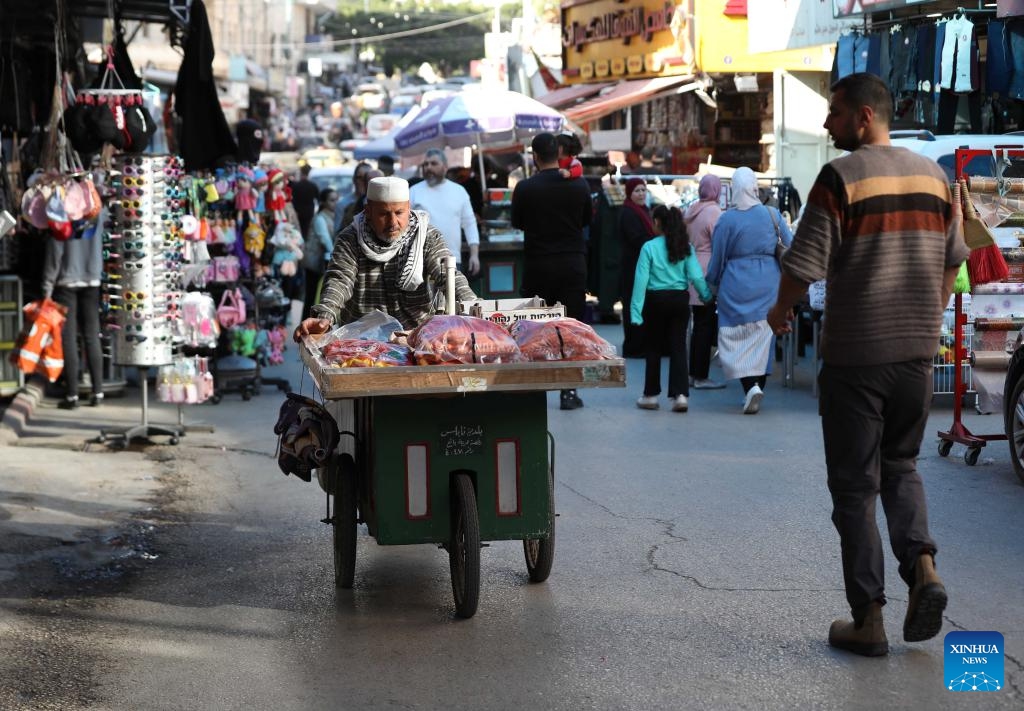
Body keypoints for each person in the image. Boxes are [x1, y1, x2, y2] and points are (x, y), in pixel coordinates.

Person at [767, 72, 965, 657]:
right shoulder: (935, 177)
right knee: (901, 467)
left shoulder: (839, 178)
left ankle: (869, 620)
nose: (826, 124)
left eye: (833, 113)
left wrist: (781, 313)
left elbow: (803, 264)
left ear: (863, 117)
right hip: (916, 355)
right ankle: (923, 567)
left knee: (855, 489)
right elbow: (953, 265)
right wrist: (926, 323)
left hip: (858, 357)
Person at [294, 176, 476, 337]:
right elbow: (339, 281)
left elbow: (449, 277)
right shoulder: (350, 238)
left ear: (408, 208)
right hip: (361, 342)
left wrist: (476, 308)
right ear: (368, 210)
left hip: (415, 338)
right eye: (383, 214)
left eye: (399, 213)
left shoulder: (426, 236)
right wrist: (325, 316)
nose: (392, 223)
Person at [511, 132, 592, 411]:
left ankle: (534, 389)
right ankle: (569, 392)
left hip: (539, 265)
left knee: (534, 328)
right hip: (571, 264)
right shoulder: (579, 185)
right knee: (569, 328)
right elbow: (586, 220)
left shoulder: (525, 188)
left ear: (534, 157)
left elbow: (517, 221)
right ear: (558, 154)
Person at [705, 166, 791, 415]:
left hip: (736, 285)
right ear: (755, 187)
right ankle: (756, 387)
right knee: (763, 338)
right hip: (768, 285)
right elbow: (792, 246)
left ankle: (750, 387)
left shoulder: (727, 219)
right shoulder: (772, 214)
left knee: (735, 339)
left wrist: (711, 285)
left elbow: (718, 257)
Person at [631, 205, 711, 413]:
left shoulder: (649, 247)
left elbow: (641, 281)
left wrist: (635, 312)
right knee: (678, 347)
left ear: (657, 222)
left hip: (655, 300)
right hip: (679, 300)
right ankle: (680, 395)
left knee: (654, 347)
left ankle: (650, 395)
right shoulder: (685, 247)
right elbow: (696, 276)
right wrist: (706, 296)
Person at [41, 226, 104, 409]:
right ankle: (97, 392)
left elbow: (55, 250)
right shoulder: (96, 210)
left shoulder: (62, 211)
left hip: (66, 280)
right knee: (92, 336)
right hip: (92, 278)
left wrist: (47, 288)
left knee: (68, 339)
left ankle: (72, 395)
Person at [684, 174, 726, 389]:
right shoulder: (714, 212)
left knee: (696, 325)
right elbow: (720, 244)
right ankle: (701, 376)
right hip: (706, 270)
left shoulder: (692, 209)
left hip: (690, 269)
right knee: (705, 326)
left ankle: (693, 374)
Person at [410, 149, 480, 276]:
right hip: (421, 262)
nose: (428, 167)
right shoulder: (414, 191)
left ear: (445, 167)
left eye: (433, 164)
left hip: (452, 260)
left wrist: (474, 255)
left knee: (452, 296)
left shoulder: (459, 191)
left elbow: (469, 224)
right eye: (426, 164)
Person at [618, 177, 657, 358]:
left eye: (643, 190)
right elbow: (637, 239)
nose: (641, 194)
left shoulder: (643, 210)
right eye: (637, 191)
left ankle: (642, 344)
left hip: (641, 266)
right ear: (629, 193)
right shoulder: (628, 212)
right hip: (633, 267)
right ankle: (634, 347)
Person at [301, 187, 338, 321]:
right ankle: (305, 325)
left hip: (323, 261)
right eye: (332, 200)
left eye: (336, 200)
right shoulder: (320, 218)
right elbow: (326, 240)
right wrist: (338, 254)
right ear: (323, 202)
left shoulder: (332, 216)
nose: (335, 203)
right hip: (314, 263)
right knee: (311, 296)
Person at [335, 161, 371, 233]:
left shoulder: (379, 204)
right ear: (354, 180)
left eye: (367, 178)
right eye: (360, 177)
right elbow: (337, 234)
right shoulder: (342, 204)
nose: (364, 181)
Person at [290, 164, 319, 238]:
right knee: (306, 229)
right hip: (309, 211)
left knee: (298, 229)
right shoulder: (313, 186)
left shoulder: (296, 186)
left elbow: (292, 198)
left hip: (297, 211)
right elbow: (318, 198)